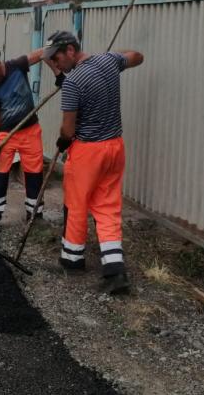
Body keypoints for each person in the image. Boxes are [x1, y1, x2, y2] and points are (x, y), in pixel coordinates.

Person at [44, 30, 144, 295]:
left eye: (57, 57)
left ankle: (72, 259)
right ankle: (114, 269)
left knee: (77, 204)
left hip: (88, 151)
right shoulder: (109, 62)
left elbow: (68, 129)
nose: (55, 64)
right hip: (115, 147)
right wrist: (114, 56)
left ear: (71, 51)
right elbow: (137, 56)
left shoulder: (73, 82)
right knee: (107, 206)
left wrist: (62, 143)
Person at [0, 47, 61, 230]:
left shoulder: (17, 66)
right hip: (7, 134)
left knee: (34, 173)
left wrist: (58, 74)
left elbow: (44, 52)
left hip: (30, 130)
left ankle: (34, 214)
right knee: (0, 173)